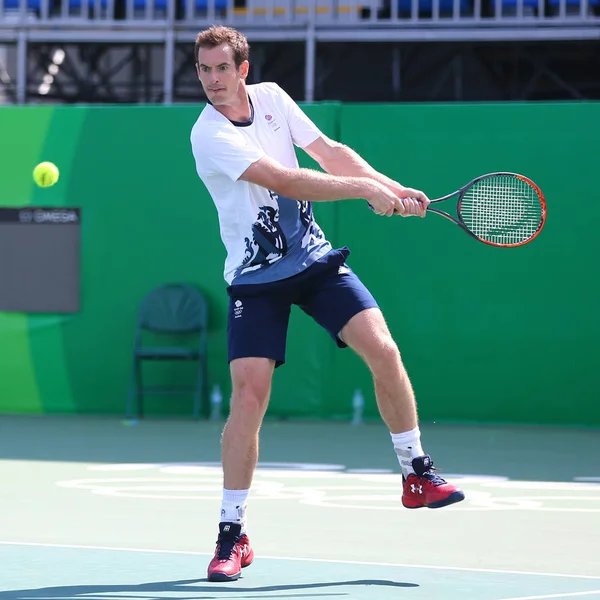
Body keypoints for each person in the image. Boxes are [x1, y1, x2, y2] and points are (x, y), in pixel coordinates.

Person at [190, 25, 465, 583]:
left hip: (315, 262)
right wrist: (367, 193)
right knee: (250, 396)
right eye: (203, 70)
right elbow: (285, 179)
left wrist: (391, 187)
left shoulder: (272, 99)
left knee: (383, 349)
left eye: (222, 69)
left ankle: (416, 471)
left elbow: (329, 152)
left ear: (243, 69)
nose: (213, 80)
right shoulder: (207, 134)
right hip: (255, 276)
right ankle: (231, 533)